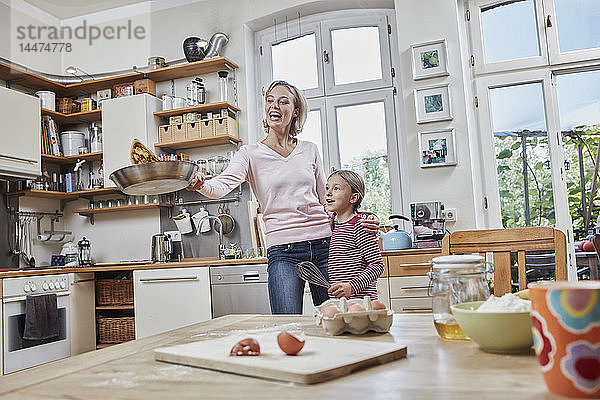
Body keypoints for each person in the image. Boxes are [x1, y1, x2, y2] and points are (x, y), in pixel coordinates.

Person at [187, 80, 378, 314]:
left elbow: (326, 199)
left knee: (338, 320)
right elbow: (220, 185)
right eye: (269, 100)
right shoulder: (250, 153)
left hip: (325, 246)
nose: (273, 105)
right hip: (283, 251)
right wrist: (200, 184)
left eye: (282, 101)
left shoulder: (309, 149)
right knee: (287, 323)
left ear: (295, 111)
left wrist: (359, 219)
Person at [325, 170, 384, 300]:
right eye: (327, 188)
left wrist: (352, 287)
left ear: (353, 198)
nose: (328, 193)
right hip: (342, 300)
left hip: (361, 300)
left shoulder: (360, 226)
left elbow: (377, 266)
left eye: (336, 188)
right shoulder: (335, 223)